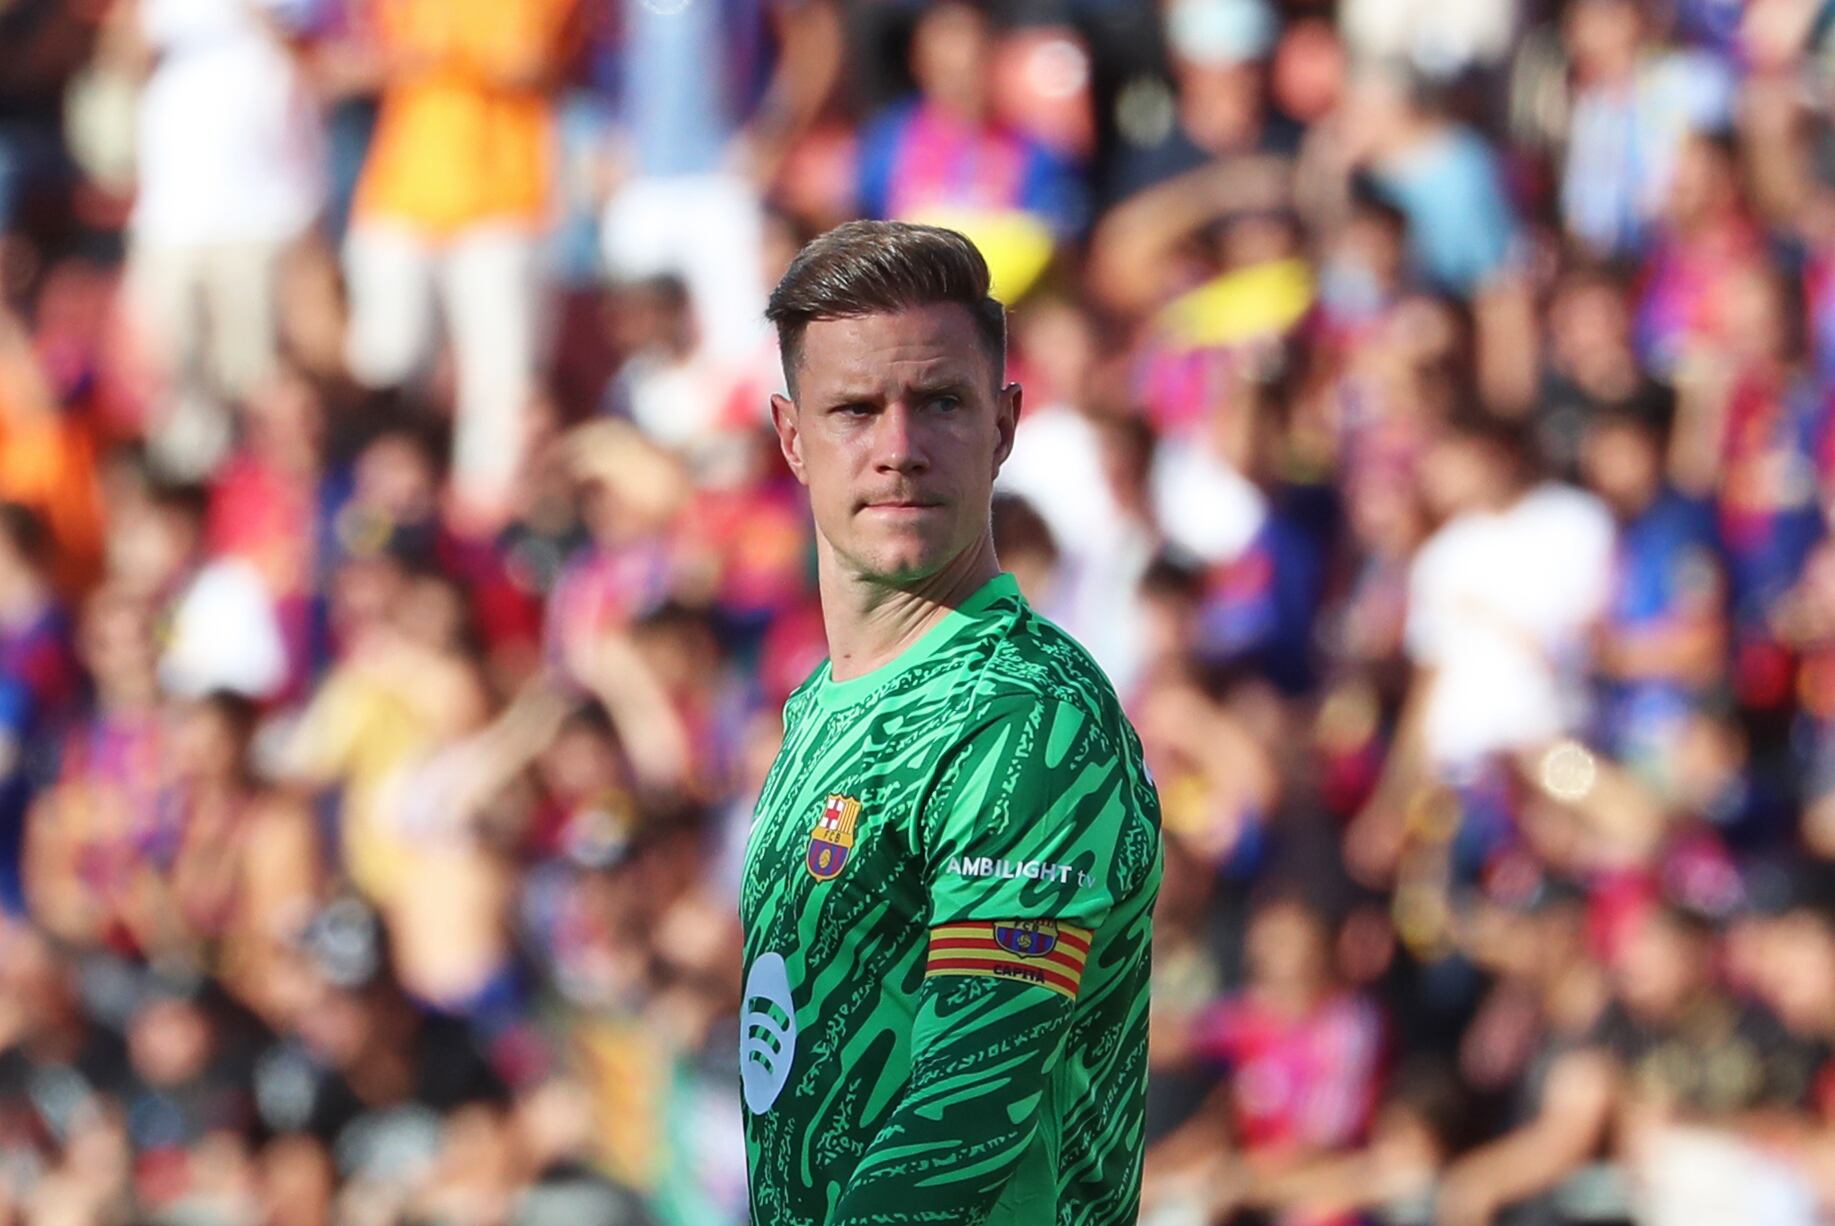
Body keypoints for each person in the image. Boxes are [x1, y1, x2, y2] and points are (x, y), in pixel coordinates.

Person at [738, 221, 1163, 1223]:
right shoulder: (820, 703)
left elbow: (969, 1098)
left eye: (938, 402)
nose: (897, 448)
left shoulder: (1025, 713)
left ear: (1004, 426)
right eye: (853, 409)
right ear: (791, 437)